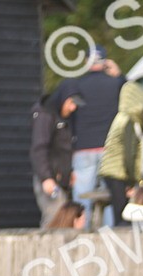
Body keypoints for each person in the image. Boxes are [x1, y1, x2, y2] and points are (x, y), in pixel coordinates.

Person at [62, 44, 126, 227]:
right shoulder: (116, 84)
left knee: (82, 199)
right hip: (111, 150)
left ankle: (80, 235)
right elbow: (133, 98)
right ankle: (110, 235)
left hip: (84, 148)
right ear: (105, 62)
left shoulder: (77, 86)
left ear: (86, 62)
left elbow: (69, 120)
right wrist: (119, 75)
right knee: (112, 197)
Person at [98, 82, 143, 227]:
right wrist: (134, 179)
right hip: (118, 173)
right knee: (122, 212)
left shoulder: (121, 118)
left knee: (118, 209)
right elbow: (129, 153)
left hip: (113, 171)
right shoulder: (129, 121)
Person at [29, 87, 84, 228]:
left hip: (61, 179)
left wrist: (69, 170)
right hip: (50, 179)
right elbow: (39, 149)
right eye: (71, 103)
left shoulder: (64, 117)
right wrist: (46, 178)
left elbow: (64, 147)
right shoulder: (45, 116)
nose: (73, 108)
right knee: (54, 217)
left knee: (64, 219)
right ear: (62, 99)